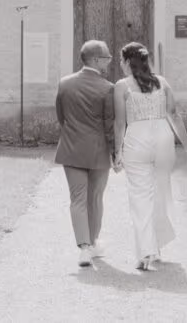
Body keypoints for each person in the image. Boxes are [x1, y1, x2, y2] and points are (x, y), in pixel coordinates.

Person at [113, 41, 187, 272]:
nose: (120, 65)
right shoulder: (163, 82)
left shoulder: (122, 86)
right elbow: (174, 115)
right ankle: (155, 246)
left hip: (137, 138)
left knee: (140, 196)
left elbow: (120, 123)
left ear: (128, 62)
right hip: (163, 137)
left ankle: (147, 249)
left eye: (121, 61)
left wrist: (117, 151)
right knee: (160, 192)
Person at [54, 39, 117, 268]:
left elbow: (61, 116)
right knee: (96, 198)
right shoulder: (107, 88)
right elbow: (110, 125)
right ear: (96, 60)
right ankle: (92, 243)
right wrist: (115, 152)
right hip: (98, 151)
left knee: (77, 199)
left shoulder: (64, 83)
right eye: (107, 58)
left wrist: (72, 134)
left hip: (71, 149)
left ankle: (84, 248)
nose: (109, 61)